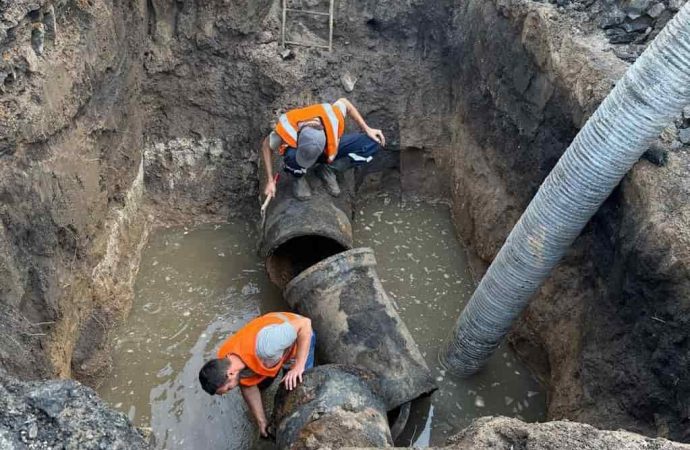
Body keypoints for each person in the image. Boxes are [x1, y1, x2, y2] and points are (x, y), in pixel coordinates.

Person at [198, 312, 314, 437]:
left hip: (299, 338)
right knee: (262, 384)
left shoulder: (267, 345)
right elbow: (247, 385)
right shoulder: (225, 360)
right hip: (276, 351)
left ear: (230, 373)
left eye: (229, 388)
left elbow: (305, 324)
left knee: (296, 387)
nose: (231, 390)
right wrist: (261, 421)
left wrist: (298, 366)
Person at [260, 98, 386, 200]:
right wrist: (270, 180)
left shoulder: (332, 117)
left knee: (372, 143)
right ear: (299, 138)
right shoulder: (288, 127)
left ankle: (328, 169)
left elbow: (345, 103)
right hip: (303, 152)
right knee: (291, 156)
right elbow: (266, 146)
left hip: (328, 150)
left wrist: (367, 128)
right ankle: (298, 177)